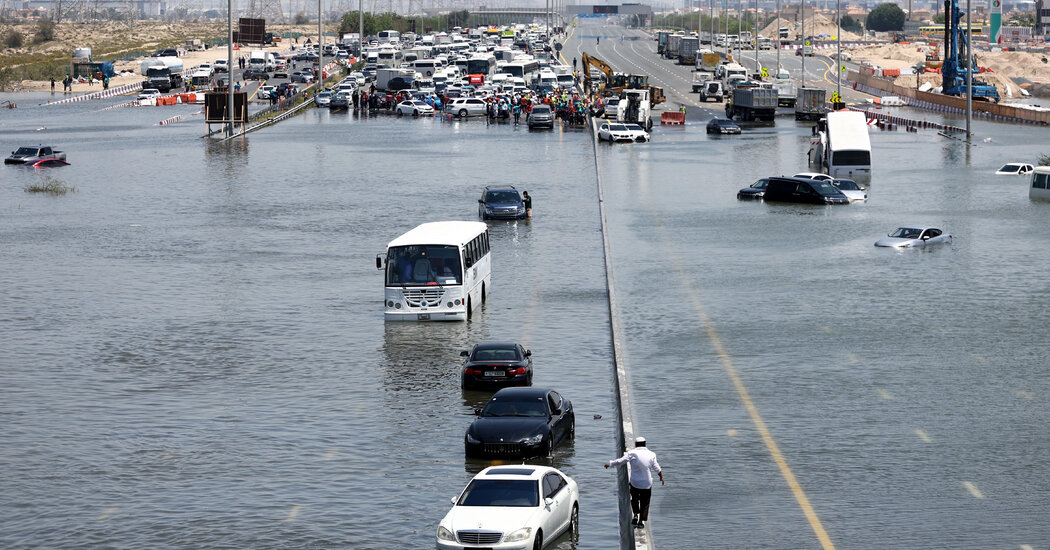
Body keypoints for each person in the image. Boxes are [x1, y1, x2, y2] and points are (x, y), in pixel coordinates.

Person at [604, 436, 664, 529]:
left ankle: (635, 514)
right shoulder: (652, 454)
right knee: (645, 502)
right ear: (645, 443)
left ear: (636, 444)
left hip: (635, 482)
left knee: (635, 499)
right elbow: (656, 467)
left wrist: (610, 463)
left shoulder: (631, 453)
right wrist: (661, 477)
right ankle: (640, 522)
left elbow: (621, 461)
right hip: (646, 483)